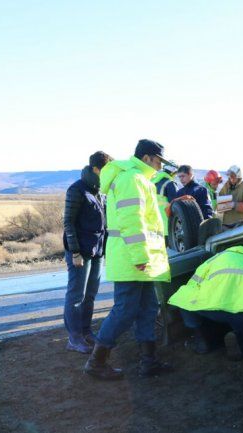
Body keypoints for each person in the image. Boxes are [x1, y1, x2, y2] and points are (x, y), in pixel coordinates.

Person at [84, 139, 173, 381]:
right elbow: (131, 222)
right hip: (133, 258)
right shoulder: (132, 179)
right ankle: (96, 362)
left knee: (147, 309)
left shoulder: (140, 179)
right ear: (146, 158)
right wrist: (140, 256)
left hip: (140, 259)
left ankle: (149, 361)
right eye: (158, 160)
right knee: (125, 310)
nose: (160, 166)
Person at [168, 246, 243, 360]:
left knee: (183, 298)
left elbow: (192, 284)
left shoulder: (214, 259)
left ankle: (202, 341)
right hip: (239, 312)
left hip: (211, 308)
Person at [62, 151, 113, 353]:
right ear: (95, 169)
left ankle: (85, 331)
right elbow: (68, 222)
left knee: (90, 294)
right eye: (106, 170)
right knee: (76, 296)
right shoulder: (77, 190)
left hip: (97, 250)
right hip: (80, 251)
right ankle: (74, 338)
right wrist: (74, 252)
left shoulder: (98, 191)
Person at [151, 166, 179, 244]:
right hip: (167, 224)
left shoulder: (153, 182)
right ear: (173, 172)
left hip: (153, 224)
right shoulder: (170, 183)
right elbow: (175, 203)